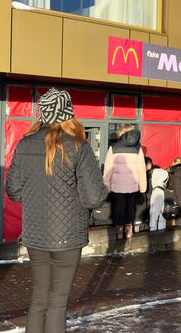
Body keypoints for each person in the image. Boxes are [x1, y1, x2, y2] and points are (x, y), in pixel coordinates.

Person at [6, 88, 108, 333]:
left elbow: (14, 192)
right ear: (68, 114)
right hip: (67, 236)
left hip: (35, 236)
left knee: (39, 298)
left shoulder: (24, 144)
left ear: (42, 114)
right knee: (57, 303)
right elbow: (94, 197)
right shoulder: (78, 147)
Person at [103, 124, 147, 239]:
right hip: (132, 184)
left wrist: (106, 186)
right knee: (130, 207)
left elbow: (108, 169)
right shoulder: (138, 149)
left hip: (117, 185)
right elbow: (142, 169)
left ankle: (119, 232)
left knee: (119, 208)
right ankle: (129, 232)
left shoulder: (114, 147)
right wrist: (143, 187)